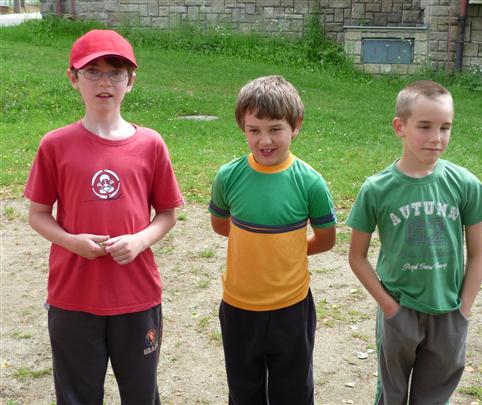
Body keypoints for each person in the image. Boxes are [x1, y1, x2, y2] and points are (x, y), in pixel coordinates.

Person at [24, 29, 183, 405]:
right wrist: (72, 242)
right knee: (76, 395)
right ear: (73, 77)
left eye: (116, 72)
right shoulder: (55, 145)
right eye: (93, 72)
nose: (105, 82)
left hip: (136, 295)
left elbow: (167, 214)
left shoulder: (150, 144)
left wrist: (139, 240)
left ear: (131, 80)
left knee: (141, 394)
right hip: (73, 296)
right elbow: (38, 214)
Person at [346, 80, 482, 404]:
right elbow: (356, 256)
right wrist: (390, 308)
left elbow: (478, 253)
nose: (436, 137)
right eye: (425, 126)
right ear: (400, 127)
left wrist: (464, 309)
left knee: (433, 398)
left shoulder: (465, 184)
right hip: (399, 312)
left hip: (449, 312)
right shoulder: (376, 189)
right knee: (392, 395)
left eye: (445, 127)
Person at [208, 75, 336, 405]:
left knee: (293, 392)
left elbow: (326, 239)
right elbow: (221, 225)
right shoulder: (228, 176)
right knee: (244, 390)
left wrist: (287, 250)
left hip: (291, 307)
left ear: (296, 126)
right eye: (254, 130)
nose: (265, 140)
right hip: (238, 306)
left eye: (276, 129)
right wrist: (258, 246)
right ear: (243, 127)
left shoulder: (311, 183)